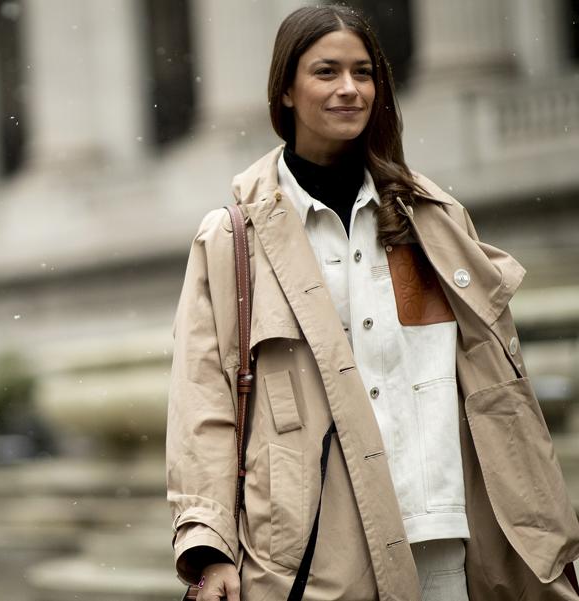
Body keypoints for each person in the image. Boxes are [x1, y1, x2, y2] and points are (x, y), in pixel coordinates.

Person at [166, 5, 579, 601]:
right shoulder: (231, 241)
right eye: (326, 72)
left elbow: (497, 385)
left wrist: (544, 526)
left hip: (447, 535)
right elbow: (203, 399)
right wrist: (208, 543)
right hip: (318, 551)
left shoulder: (433, 221)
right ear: (285, 89)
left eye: (363, 73)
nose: (349, 90)